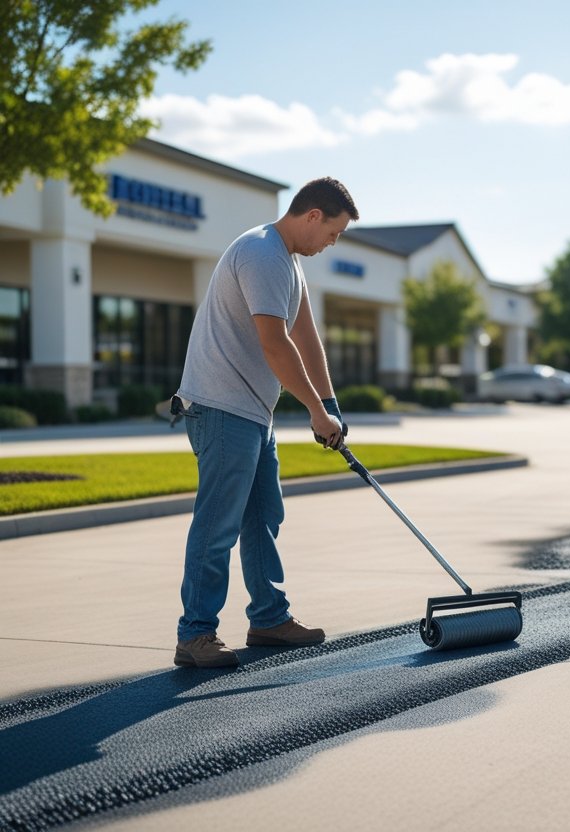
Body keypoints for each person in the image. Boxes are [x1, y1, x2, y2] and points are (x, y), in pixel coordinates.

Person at [171, 176, 358, 668]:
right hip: (221, 406)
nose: (332, 243)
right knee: (217, 525)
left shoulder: (290, 264)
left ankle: (269, 619)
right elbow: (276, 343)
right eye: (333, 233)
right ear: (312, 215)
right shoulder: (260, 253)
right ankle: (195, 634)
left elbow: (306, 336)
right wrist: (314, 412)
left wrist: (330, 403)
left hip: (253, 411)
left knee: (262, 519)